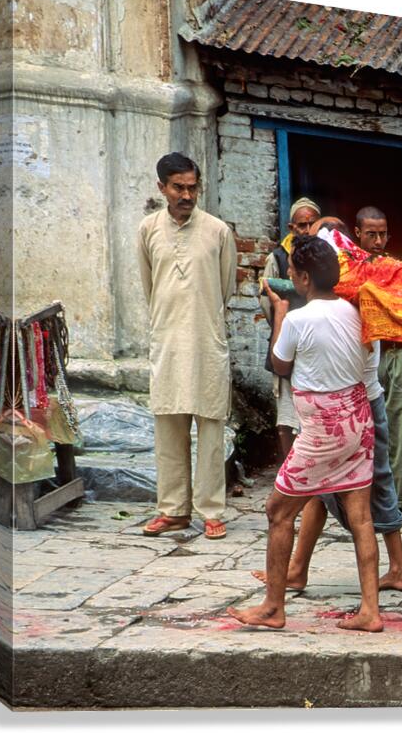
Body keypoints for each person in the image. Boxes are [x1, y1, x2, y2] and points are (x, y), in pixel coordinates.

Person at [227, 236, 382, 631]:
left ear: (305, 278)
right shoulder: (358, 313)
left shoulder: (298, 318)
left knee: (278, 510)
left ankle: (273, 607)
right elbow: (367, 371)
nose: (291, 277)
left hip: (322, 428)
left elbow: (279, 364)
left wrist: (280, 312)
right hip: (357, 420)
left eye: (293, 272)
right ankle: (370, 611)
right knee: (361, 518)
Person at [138, 152, 237, 541]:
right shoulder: (148, 229)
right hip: (167, 340)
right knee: (168, 427)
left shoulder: (217, 231)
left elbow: (225, 287)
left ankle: (211, 510)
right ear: (162, 187)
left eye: (192, 187)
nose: (186, 194)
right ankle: (173, 510)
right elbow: (150, 287)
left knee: (211, 427)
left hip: (206, 340)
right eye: (178, 187)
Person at [356, 206, 402, 531]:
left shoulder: (398, 269)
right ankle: (361, 506)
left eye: (383, 234)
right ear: (358, 234)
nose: (378, 241)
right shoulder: (349, 270)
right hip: (364, 356)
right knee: (364, 432)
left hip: (397, 351)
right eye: (371, 234)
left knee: (401, 429)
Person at [260, 197, 321, 464]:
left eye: (311, 224)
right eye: (301, 225)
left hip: (313, 345)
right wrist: (282, 322)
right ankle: (289, 471)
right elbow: (267, 300)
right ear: (291, 227)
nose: (306, 230)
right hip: (286, 340)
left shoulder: (323, 255)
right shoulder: (277, 257)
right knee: (286, 416)